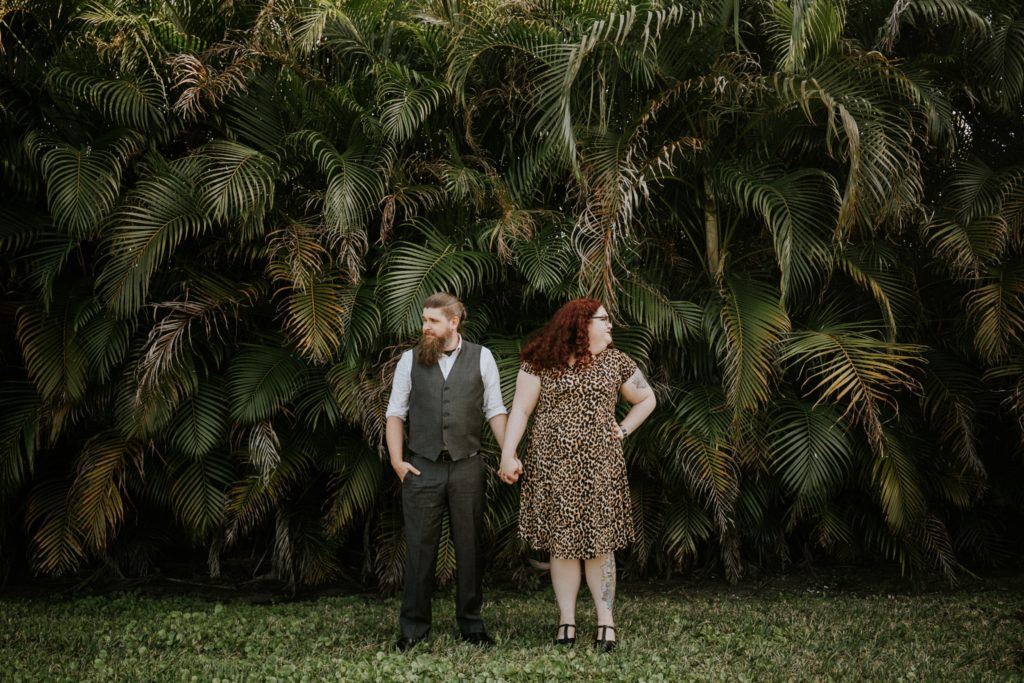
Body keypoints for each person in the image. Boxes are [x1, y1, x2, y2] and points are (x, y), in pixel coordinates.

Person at [497, 298, 656, 652]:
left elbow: (647, 400)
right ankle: (566, 620)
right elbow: (521, 410)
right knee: (563, 544)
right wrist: (508, 453)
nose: (611, 325)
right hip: (552, 465)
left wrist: (623, 430)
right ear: (580, 324)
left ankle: (605, 622)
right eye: (604, 319)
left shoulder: (616, 361)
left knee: (600, 544)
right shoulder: (541, 361)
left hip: (600, 466)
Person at [385, 292, 508, 651]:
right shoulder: (409, 361)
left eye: (432, 321)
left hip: (467, 466)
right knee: (420, 550)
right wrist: (397, 461)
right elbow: (396, 413)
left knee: (469, 549)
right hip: (422, 468)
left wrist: (508, 454)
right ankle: (413, 628)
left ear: (453, 323)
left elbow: (495, 409)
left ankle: (472, 625)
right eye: (424, 320)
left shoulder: (482, 357)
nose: (425, 326)